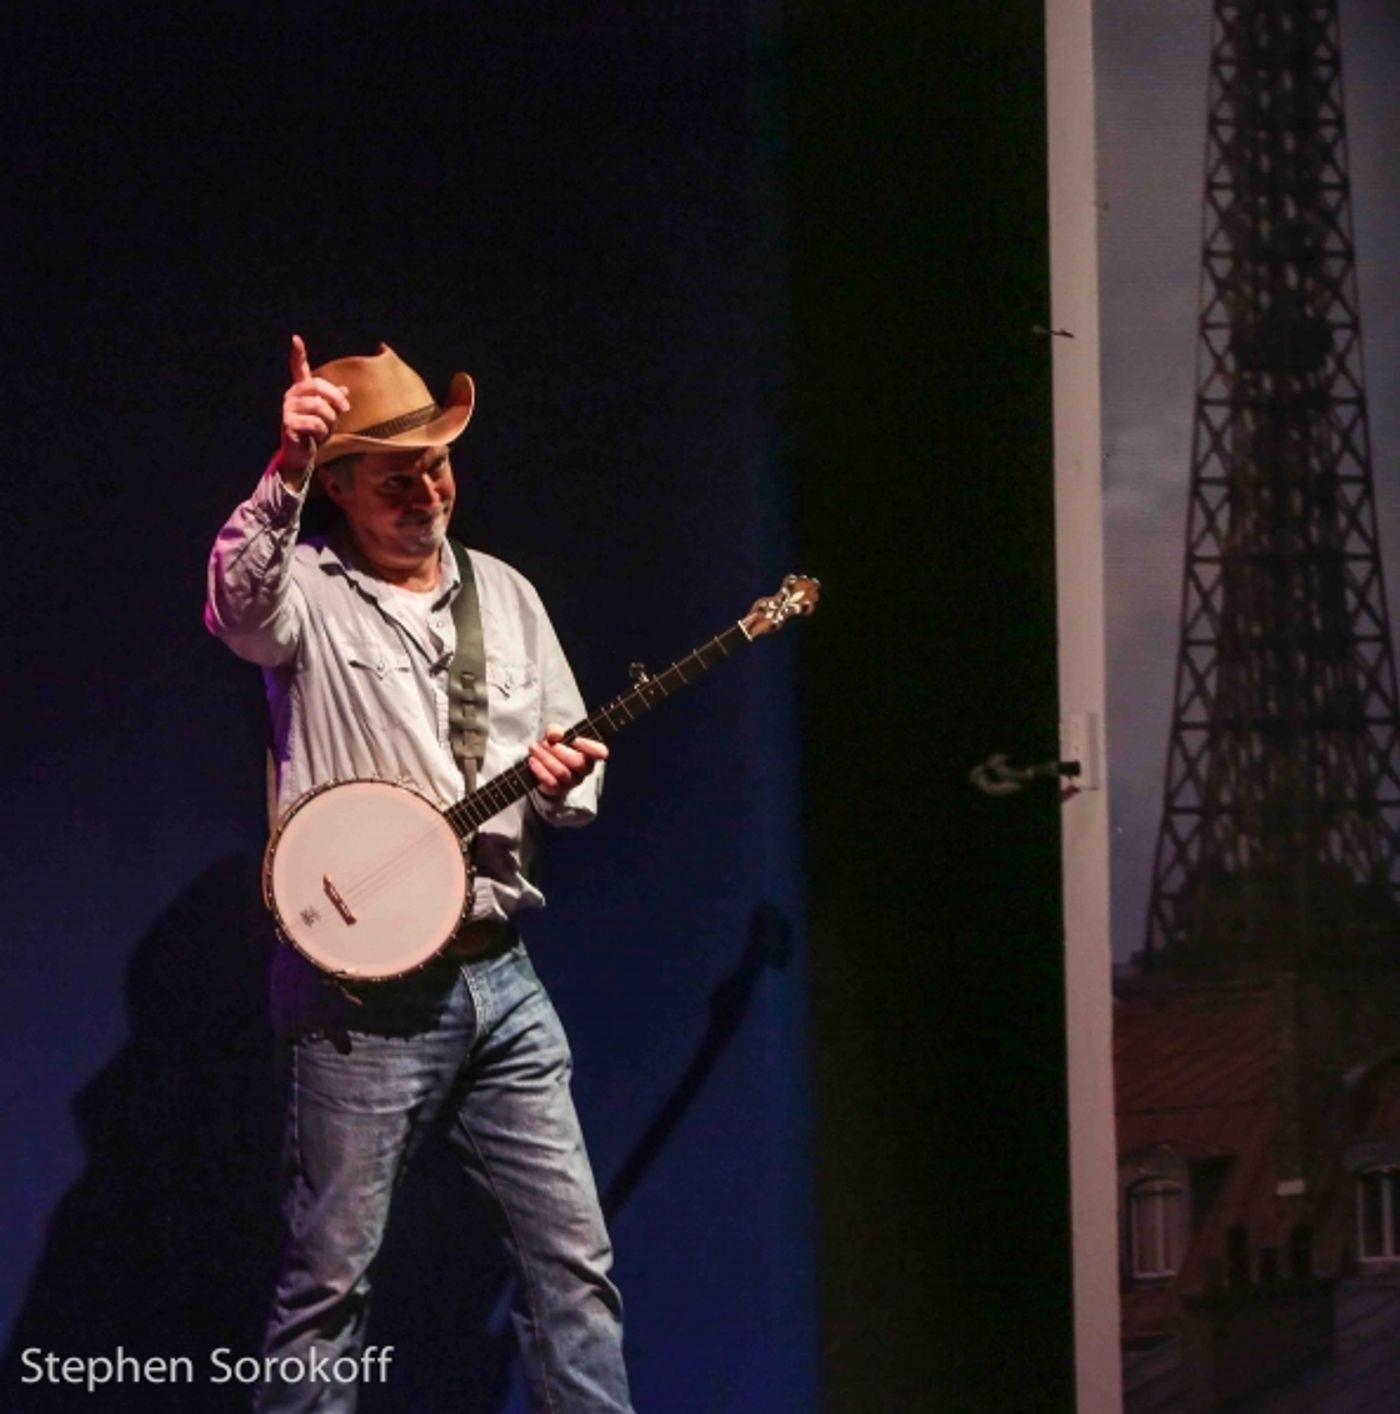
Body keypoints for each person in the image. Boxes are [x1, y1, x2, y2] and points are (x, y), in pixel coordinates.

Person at [205, 336, 632, 1413]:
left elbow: (569, 770)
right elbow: (236, 609)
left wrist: (563, 775)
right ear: (340, 487)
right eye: (395, 477)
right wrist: (283, 470)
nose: (427, 491)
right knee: (328, 1286)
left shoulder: (506, 594)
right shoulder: (305, 589)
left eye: (437, 465)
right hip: (362, 999)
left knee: (574, 1272)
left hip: (501, 976)